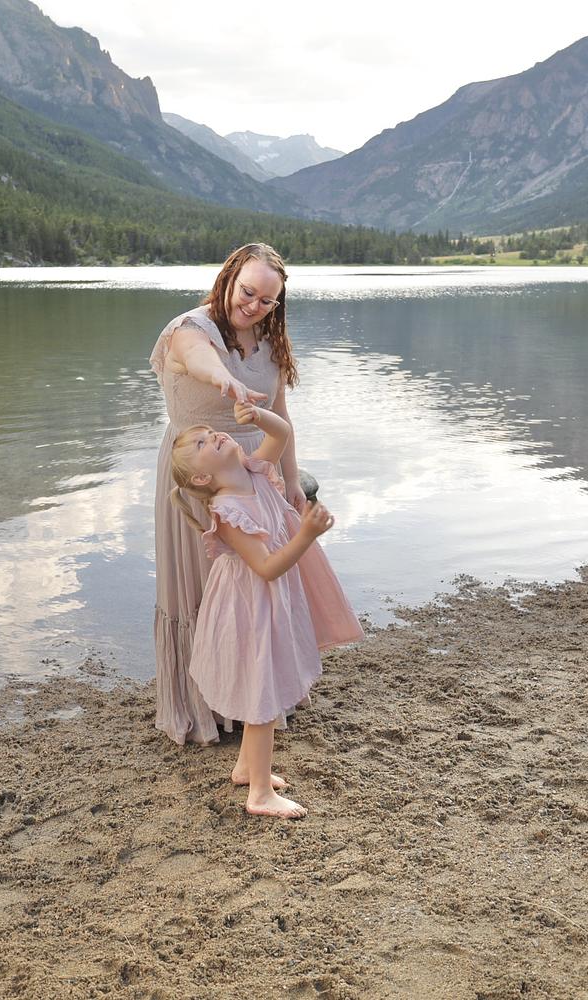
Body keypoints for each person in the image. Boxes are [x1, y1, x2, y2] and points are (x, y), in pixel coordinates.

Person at [168, 401, 362, 817]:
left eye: (209, 432)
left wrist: (259, 416)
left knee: (268, 680)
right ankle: (259, 794)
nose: (215, 435)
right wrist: (306, 534)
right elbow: (267, 567)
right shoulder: (228, 511)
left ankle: (245, 768)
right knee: (263, 692)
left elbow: (282, 434)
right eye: (202, 442)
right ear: (202, 478)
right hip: (250, 605)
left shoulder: (255, 471)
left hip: (269, 599)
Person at [150, 243, 307, 746]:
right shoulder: (190, 329)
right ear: (229, 279)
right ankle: (207, 705)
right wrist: (226, 379)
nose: (254, 306)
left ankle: (258, 701)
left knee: (252, 594)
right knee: (206, 589)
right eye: (248, 292)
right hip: (199, 469)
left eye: (267, 300)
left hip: (256, 473)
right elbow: (199, 361)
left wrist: (292, 484)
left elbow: (282, 416)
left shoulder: (270, 341)